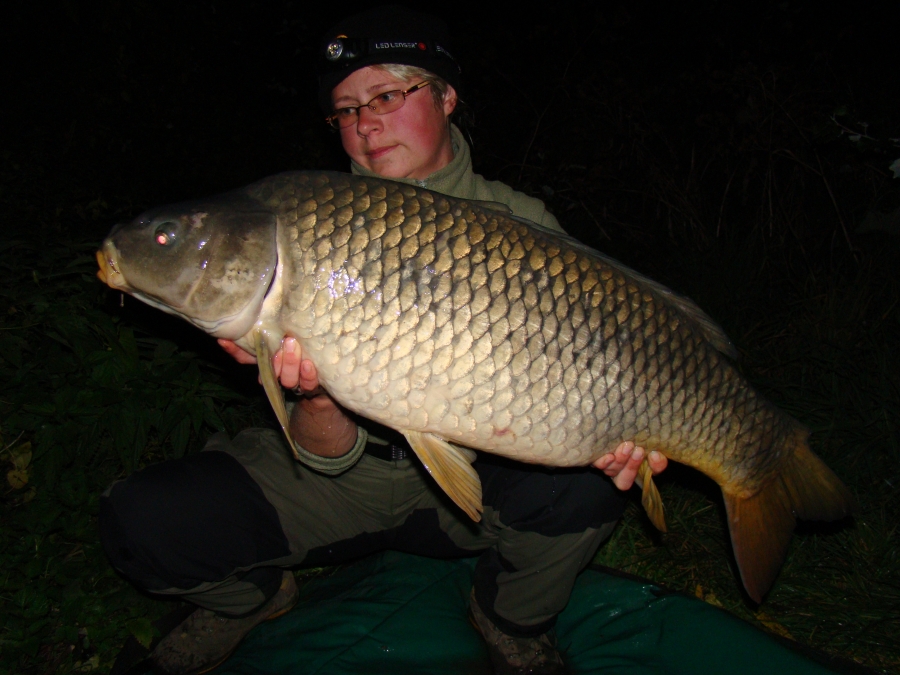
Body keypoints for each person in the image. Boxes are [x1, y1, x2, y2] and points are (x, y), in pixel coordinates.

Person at [100, 7, 667, 675]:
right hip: (344, 485)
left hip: (478, 489)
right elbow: (323, 454)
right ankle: (251, 599)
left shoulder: (522, 223)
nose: (364, 123)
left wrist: (620, 428)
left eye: (387, 97)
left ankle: (511, 616)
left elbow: (601, 361)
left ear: (447, 97)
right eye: (345, 110)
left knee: (590, 485)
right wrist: (316, 397)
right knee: (142, 519)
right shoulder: (306, 222)